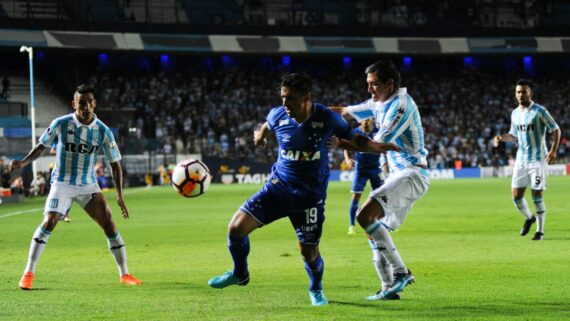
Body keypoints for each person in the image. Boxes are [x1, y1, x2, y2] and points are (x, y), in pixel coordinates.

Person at [207, 73, 399, 306]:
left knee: (308, 252)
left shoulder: (327, 118)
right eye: (282, 98)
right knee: (236, 229)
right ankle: (240, 274)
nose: (285, 104)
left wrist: (380, 147)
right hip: (277, 189)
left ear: (306, 97)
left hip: (309, 198)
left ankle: (316, 289)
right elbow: (267, 125)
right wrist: (260, 135)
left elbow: (356, 139)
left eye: (290, 98)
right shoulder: (278, 114)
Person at [8, 84, 142, 290]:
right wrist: (23, 162)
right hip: (62, 182)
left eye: (89, 102)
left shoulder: (103, 131)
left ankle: (125, 274)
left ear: (94, 103)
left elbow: (115, 164)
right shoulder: (61, 124)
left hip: (88, 184)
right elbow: (42, 146)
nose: (86, 106)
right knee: (49, 221)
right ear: (74, 104)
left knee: (109, 225)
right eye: (82, 103)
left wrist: (119, 195)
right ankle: (28, 273)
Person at [331, 60, 430, 301]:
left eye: (374, 84)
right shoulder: (379, 103)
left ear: (390, 83)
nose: (369, 89)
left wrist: (340, 144)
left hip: (412, 173)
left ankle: (401, 273)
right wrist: (311, 109)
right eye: (368, 84)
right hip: (398, 175)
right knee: (374, 229)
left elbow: (374, 145)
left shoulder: (400, 107)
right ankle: (388, 288)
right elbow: (344, 111)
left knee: (364, 216)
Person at [493, 79, 561, 241]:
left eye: (524, 91)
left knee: (537, 195)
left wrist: (552, 151)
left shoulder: (540, 111)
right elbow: (513, 135)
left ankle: (540, 231)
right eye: (518, 92)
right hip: (521, 161)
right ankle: (529, 218)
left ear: (531, 93)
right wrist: (500, 138)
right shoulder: (515, 113)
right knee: (516, 197)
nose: (521, 95)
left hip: (538, 161)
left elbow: (556, 129)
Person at [343, 118, 384, 235]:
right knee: (356, 196)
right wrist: (347, 158)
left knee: (381, 197)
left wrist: (386, 161)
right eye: (363, 120)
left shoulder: (378, 131)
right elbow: (346, 145)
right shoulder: (355, 132)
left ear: (372, 120)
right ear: (360, 122)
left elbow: (385, 144)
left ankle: (381, 224)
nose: (365, 122)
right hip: (361, 169)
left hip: (376, 168)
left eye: (368, 120)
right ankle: (351, 226)